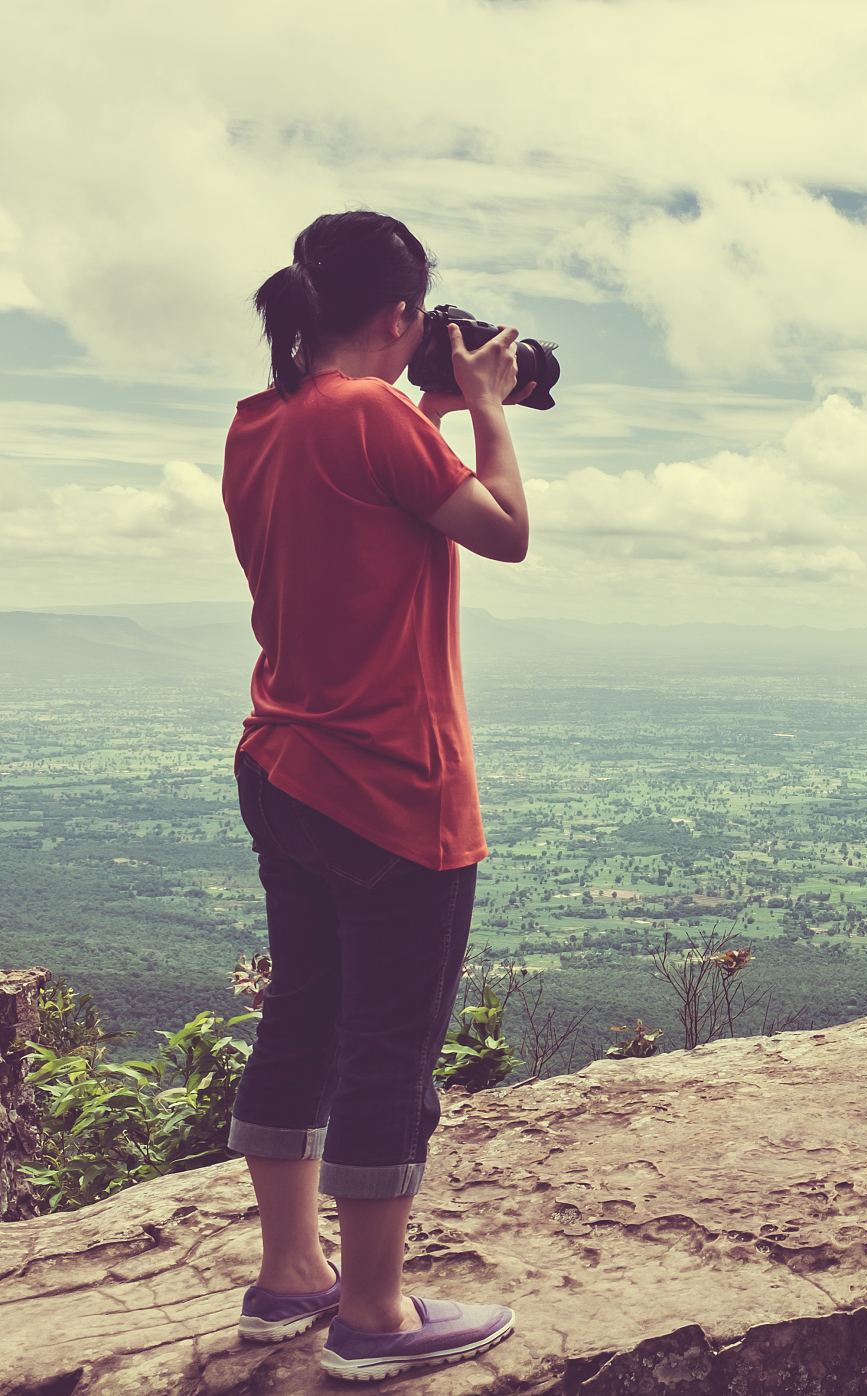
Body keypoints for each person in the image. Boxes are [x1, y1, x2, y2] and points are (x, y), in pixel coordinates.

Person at [220, 210, 531, 1382]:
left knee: (301, 1017)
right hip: (391, 786)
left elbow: (358, 492)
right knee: (388, 1053)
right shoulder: (372, 419)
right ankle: (377, 1317)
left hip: (284, 765)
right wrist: (487, 401)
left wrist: (429, 413)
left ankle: (289, 1276)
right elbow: (503, 532)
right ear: (402, 316)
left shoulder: (266, 422)